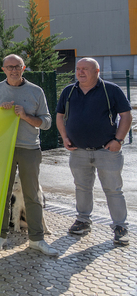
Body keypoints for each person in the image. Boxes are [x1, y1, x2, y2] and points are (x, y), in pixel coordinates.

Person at [56, 58, 131, 246]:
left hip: (107, 151)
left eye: (85, 69)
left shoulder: (111, 90)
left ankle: (120, 227)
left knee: (113, 190)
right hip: (78, 151)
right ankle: (82, 221)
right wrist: (64, 137)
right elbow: (60, 115)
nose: (80, 72)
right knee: (82, 187)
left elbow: (126, 115)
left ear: (97, 71)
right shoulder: (69, 91)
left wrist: (119, 140)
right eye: (78, 69)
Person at [0, 54, 57, 256]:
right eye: (10, 67)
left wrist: (26, 116)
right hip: (3, 149)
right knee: (2, 194)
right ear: (3, 69)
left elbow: (46, 123)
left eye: (17, 66)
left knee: (32, 194)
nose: (14, 70)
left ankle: (36, 239)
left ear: (24, 68)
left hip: (29, 148)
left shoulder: (36, 91)